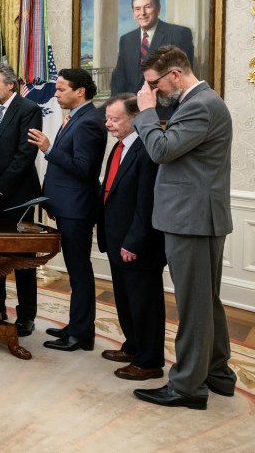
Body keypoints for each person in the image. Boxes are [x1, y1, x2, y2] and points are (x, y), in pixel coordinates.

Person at [133, 45, 235, 410]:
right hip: (195, 215)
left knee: (193, 304)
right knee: (206, 301)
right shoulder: (198, 102)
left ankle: (188, 386)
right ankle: (217, 372)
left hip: (192, 218)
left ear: (174, 75)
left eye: (154, 84)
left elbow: (161, 150)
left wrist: (145, 113)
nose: (153, 92)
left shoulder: (200, 105)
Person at [28, 68, 105, 352]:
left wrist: (48, 148)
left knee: (79, 271)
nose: (56, 94)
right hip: (65, 205)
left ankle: (82, 333)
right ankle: (76, 326)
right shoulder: (77, 117)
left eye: (61, 89)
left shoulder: (89, 122)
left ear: (80, 91)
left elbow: (84, 169)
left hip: (77, 208)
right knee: (76, 271)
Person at [97, 93, 165, 381]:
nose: (109, 125)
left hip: (137, 244)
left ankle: (149, 361)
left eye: (115, 119)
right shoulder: (119, 147)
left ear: (136, 118)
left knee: (144, 304)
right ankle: (133, 346)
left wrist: (134, 242)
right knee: (125, 300)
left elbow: (147, 203)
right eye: (107, 119)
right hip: (116, 239)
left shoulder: (148, 150)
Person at [0, 61, 42, 337]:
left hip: (18, 197)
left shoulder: (29, 110)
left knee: (22, 258)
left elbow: (24, 156)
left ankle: (26, 315)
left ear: (10, 85)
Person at [109, 0, 195, 96]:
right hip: (130, 107)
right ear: (133, 13)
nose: (142, 13)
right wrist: (118, 105)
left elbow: (183, 77)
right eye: (137, 9)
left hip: (164, 106)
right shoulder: (126, 40)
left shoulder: (179, 34)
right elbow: (119, 78)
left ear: (158, 8)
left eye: (148, 7)